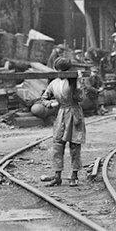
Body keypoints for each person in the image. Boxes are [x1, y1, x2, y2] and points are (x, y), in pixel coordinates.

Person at [41, 58, 85, 187]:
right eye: (59, 70)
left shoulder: (72, 81)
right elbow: (44, 98)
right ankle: (57, 176)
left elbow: (80, 98)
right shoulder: (53, 83)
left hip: (74, 114)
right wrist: (51, 103)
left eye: (63, 70)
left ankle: (74, 175)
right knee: (57, 145)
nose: (61, 72)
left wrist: (79, 83)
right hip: (61, 114)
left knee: (75, 145)